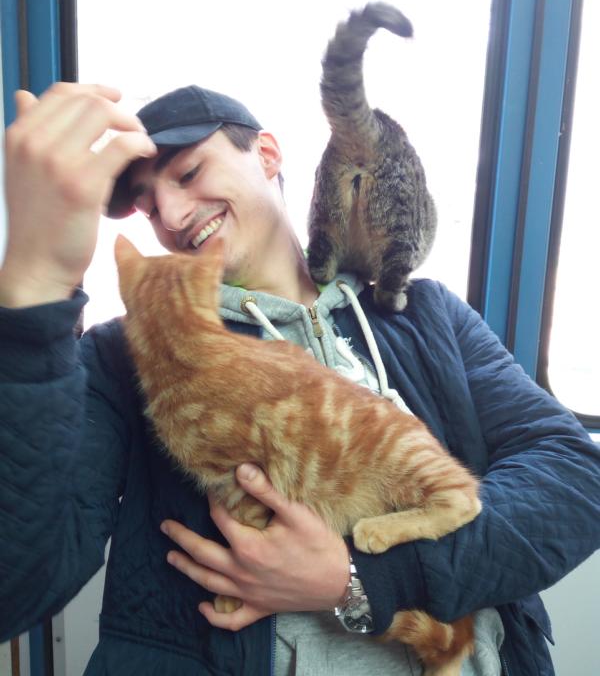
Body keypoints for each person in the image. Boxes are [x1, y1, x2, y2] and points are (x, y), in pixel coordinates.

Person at [1, 81, 599, 676]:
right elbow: (16, 583)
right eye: (150, 207)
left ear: (266, 154)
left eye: (188, 174)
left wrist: (356, 579)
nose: (173, 217)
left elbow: (576, 480)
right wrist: (36, 283)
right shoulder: (125, 354)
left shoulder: (423, 314)